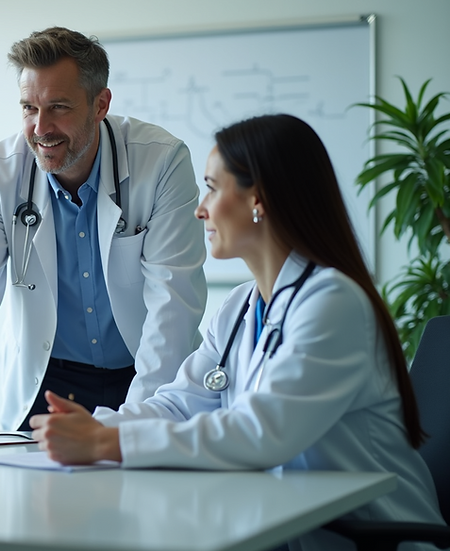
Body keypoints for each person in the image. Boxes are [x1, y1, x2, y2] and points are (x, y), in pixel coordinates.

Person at [30, 114, 446, 549]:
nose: (200, 208)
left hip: (374, 538)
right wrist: (99, 426)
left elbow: (263, 433)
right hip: (285, 527)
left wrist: (110, 442)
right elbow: (179, 403)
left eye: (212, 187)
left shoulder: (332, 302)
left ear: (258, 200)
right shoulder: (242, 304)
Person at [0, 26, 207, 434]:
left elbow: (174, 303)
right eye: (28, 108)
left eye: (58, 107)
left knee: (145, 492)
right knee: (38, 495)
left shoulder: (160, 162)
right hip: (51, 385)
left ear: (100, 104)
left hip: (145, 374)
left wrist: (135, 424)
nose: (40, 128)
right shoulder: (1, 172)